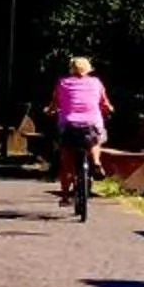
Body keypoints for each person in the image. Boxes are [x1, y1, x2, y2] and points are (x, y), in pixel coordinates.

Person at [50, 56, 112, 208]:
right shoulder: (96, 82)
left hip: (69, 124)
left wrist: (51, 110)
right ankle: (96, 162)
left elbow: (55, 102)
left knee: (67, 162)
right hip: (91, 123)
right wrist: (108, 109)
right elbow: (104, 102)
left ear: (71, 69)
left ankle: (65, 196)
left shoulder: (63, 82)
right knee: (96, 138)